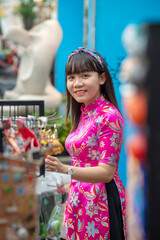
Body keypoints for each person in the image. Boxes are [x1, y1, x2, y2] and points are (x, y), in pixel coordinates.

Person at [45, 47, 127, 240]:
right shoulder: (85, 112)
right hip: (80, 199)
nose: (77, 83)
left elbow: (106, 173)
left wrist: (65, 169)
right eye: (71, 77)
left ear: (102, 78)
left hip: (101, 201)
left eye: (84, 75)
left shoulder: (108, 116)